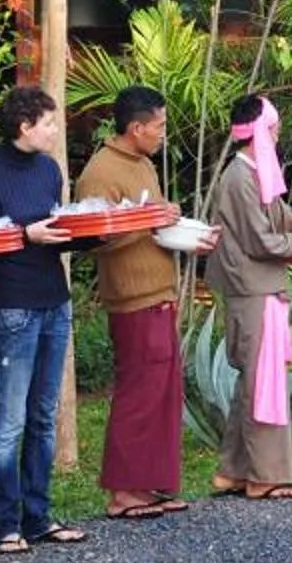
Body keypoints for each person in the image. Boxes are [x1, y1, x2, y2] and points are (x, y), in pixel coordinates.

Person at [0, 85, 91, 554]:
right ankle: (5, 525)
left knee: (43, 417)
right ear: (24, 126)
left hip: (56, 300)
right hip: (13, 306)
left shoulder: (50, 170)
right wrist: (23, 235)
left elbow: (57, 230)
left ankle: (38, 517)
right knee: (10, 421)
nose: (56, 130)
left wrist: (95, 234)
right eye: (49, 122)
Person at [75, 86, 206, 520]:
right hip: (132, 300)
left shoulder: (143, 163)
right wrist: (149, 220)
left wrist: (182, 229)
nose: (163, 134)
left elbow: (152, 223)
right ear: (136, 128)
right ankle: (123, 492)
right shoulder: (100, 173)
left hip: (159, 291)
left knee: (163, 393)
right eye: (159, 126)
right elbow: (92, 240)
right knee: (138, 393)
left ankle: (151, 483)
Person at [200, 94, 292, 500]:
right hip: (252, 288)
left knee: (256, 380)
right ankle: (265, 476)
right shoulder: (240, 178)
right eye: (273, 129)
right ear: (259, 132)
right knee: (264, 384)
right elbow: (262, 241)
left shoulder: (255, 174)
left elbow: (281, 217)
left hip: (261, 288)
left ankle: (234, 471)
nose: (277, 136)